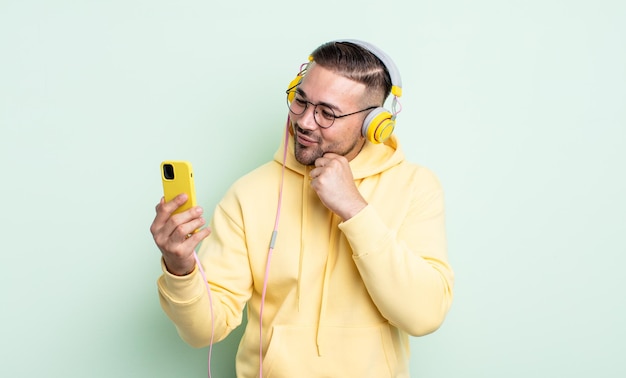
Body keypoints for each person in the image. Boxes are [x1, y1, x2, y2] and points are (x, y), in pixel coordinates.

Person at [150, 39, 454, 377]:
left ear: (374, 125)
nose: (306, 122)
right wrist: (180, 269)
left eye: (327, 113)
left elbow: (424, 315)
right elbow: (203, 331)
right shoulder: (249, 193)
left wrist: (355, 210)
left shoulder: (416, 187)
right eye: (301, 101)